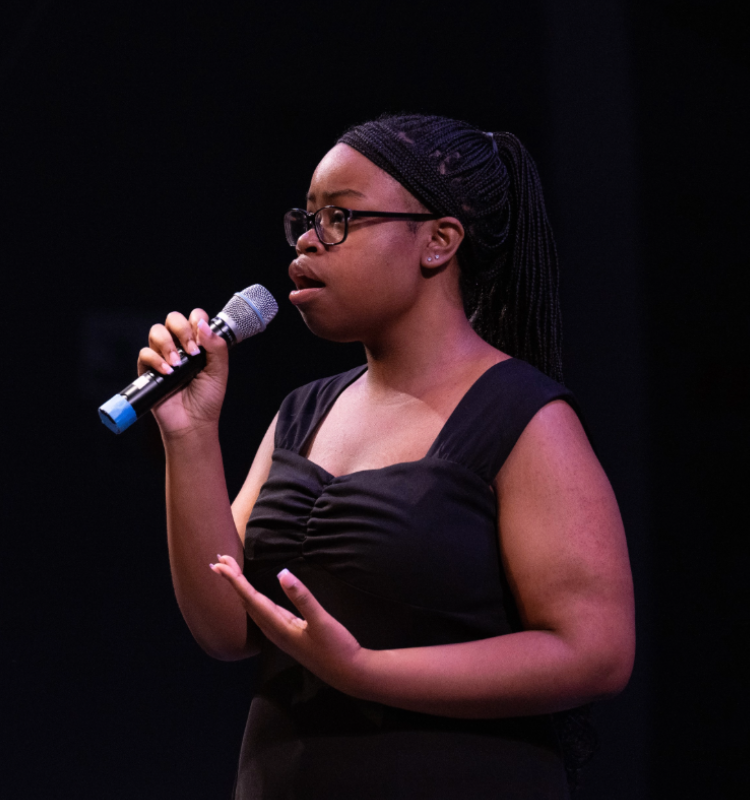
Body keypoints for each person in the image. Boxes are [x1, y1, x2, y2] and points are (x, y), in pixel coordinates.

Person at [138, 113, 635, 798]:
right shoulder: (301, 414)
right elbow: (228, 628)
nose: (307, 242)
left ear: (437, 241)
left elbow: (596, 653)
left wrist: (366, 670)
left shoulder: (524, 416)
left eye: (340, 218)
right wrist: (188, 436)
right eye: (305, 219)